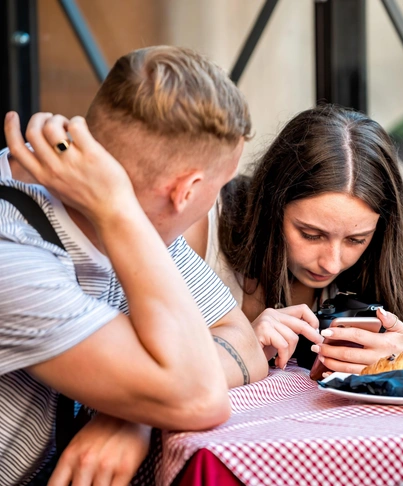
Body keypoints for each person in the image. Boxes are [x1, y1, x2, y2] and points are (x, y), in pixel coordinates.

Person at [0, 46, 291, 485]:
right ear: (187, 190)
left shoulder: (140, 224)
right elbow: (200, 396)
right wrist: (161, 397)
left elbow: (242, 341)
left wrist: (130, 412)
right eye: (221, 185)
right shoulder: (15, 256)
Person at [184, 104, 403, 378]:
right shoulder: (202, 223)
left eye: (357, 240)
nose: (331, 261)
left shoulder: (389, 227)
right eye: (311, 234)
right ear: (273, 204)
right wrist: (236, 350)